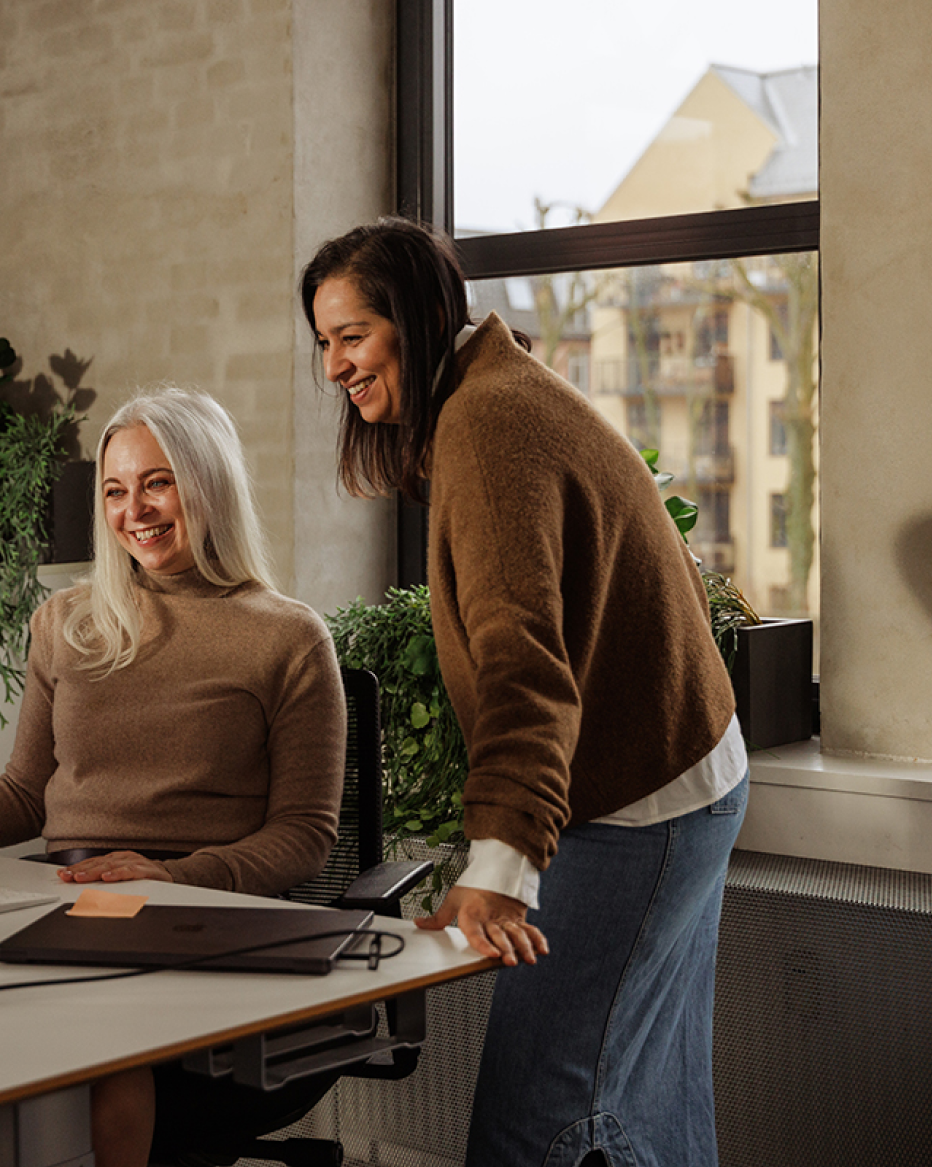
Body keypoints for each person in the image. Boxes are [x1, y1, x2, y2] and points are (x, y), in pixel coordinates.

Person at [300, 217, 748, 1167]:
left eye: (351, 336)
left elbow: (524, 665)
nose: (335, 365)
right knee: (644, 1104)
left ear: (418, 318)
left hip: (640, 795)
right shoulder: (486, 400)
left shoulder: (489, 425)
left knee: (536, 1116)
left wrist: (496, 872)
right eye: (324, 344)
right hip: (673, 769)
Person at [0, 386, 347, 1167]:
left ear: (206, 483)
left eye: (156, 481)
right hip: (67, 899)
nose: (132, 508)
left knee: (104, 1053)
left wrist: (173, 875)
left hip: (198, 909)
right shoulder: (66, 619)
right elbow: (21, 795)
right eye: (114, 489)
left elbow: (306, 834)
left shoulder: (287, 636)